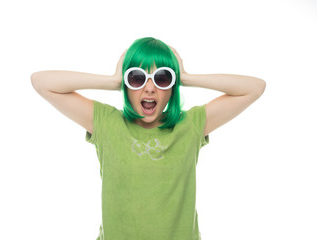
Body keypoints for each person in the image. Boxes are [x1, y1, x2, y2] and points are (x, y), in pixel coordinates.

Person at [31, 37, 266, 240]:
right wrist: (113, 80)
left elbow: (254, 88)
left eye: (162, 78)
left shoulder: (190, 125)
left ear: (172, 87)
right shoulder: (106, 122)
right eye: (137, 78)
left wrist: (185, 76)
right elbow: (42, 82)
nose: (150, 88)